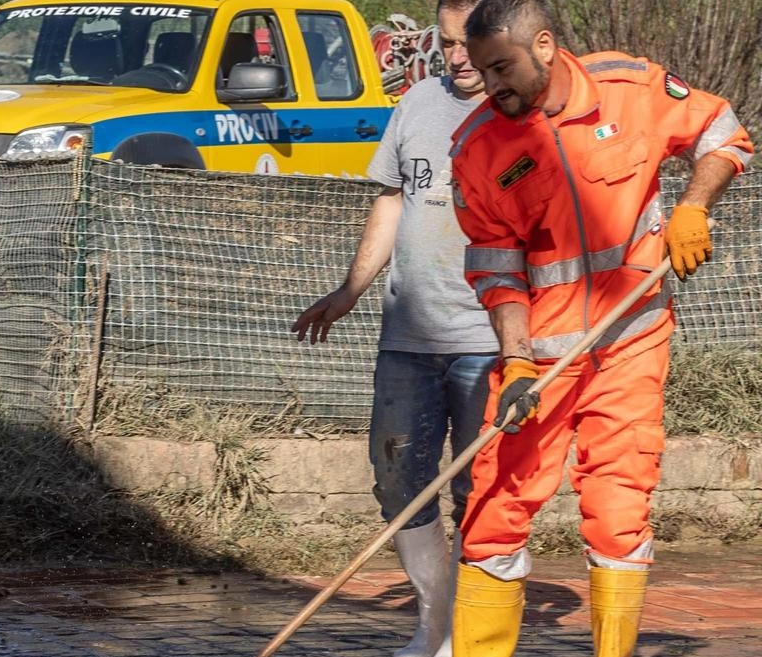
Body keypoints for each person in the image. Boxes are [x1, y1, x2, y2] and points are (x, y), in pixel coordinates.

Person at [446, 1, 754, 655]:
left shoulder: (631, 88)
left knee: (620, 507)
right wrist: (520, 360)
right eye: (480, 70)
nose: (488, 83)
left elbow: (722, 130)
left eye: (501, 67)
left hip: (633, 336)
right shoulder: (479, 149)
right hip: (541, 357)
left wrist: (693, 208)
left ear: (547, 45)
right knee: (497, 504)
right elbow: (496, 271)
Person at [292, 2, 494, 655]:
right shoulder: (416, 104)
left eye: (470, 43)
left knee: (480, 490)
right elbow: (393, 198)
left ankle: (477, 631)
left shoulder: (523, 109)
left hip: (490, 336)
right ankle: (433, 623)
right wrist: (350, 289)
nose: (457, 57)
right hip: (410, 330)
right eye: (447, 43)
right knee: (397, 476)